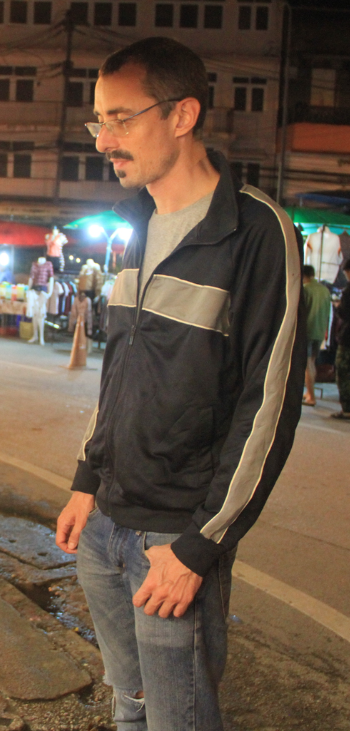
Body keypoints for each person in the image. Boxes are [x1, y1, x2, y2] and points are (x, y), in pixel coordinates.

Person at [55, 37, 304, 731]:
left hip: (173, 536)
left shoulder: (254, 231)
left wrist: (199, 545)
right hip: (104, 521)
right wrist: (85, 478)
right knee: (125, 702)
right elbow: (119, 373)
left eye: (121, 119)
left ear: (182, 113)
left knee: (178, 719)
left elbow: (268, 406)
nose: (104, 140)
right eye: (97, 121)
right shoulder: (134, 221)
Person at [302, 264, 331, 406]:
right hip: (320, 331)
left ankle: (311, 397)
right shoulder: (325, 290)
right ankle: (309, 392)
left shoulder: (306, 290)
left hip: (307, 330)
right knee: (312, 362)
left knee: (306, 364)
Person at [332, 259, 350, 420]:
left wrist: (338, 307)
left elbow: (344, 313)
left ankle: (347, 408)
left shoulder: (348, 291)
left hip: (348, 338)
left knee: (343, 371)